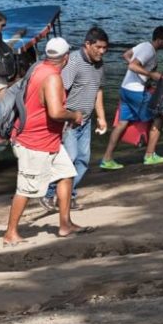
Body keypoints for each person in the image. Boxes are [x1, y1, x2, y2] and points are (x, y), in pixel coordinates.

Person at [4, 37, 87, 243]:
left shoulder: (38, 67)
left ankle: (65, 224)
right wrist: (74, 115)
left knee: (66, 175)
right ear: (66, 58)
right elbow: (56, 112)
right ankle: (10, 233)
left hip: (48, 140)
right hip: (34, 142)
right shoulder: (52, 77)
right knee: (26, 188)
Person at [43, 26, 109, 210]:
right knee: (69, 160)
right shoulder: (73, 62)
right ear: (87, 44)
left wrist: (101, 117)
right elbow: (59, 91)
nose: (102, 51)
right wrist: (63, 119)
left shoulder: (99, 64)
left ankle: (66, 196)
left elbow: (98, 90)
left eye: (105, 48)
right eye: (99, 47)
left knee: (83, 161)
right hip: (69, 123)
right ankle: (49, 193)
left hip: (85, 121)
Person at [100, 26, 163, 169]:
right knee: (161, 115)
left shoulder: (143, 45)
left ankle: (107, 159)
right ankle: (150, 155)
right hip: (136, 91)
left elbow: (126, 55)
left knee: (122, 123)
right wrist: (151, 75)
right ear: (159, 39)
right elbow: (133, 66)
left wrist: (141, 74)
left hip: (125, 89)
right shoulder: (149, 50)